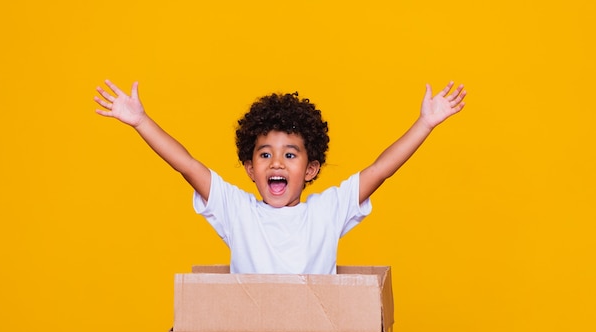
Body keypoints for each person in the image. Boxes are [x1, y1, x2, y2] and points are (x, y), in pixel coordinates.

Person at [94, 80, 466, 274]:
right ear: (250, 168)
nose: (276, 163)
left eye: (290, 155)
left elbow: (380, 170)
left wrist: (425, 124)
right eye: (265, 154)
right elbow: (187, 165)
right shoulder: (237, 212)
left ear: (310, 170)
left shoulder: (327, 211)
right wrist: (141, 121)